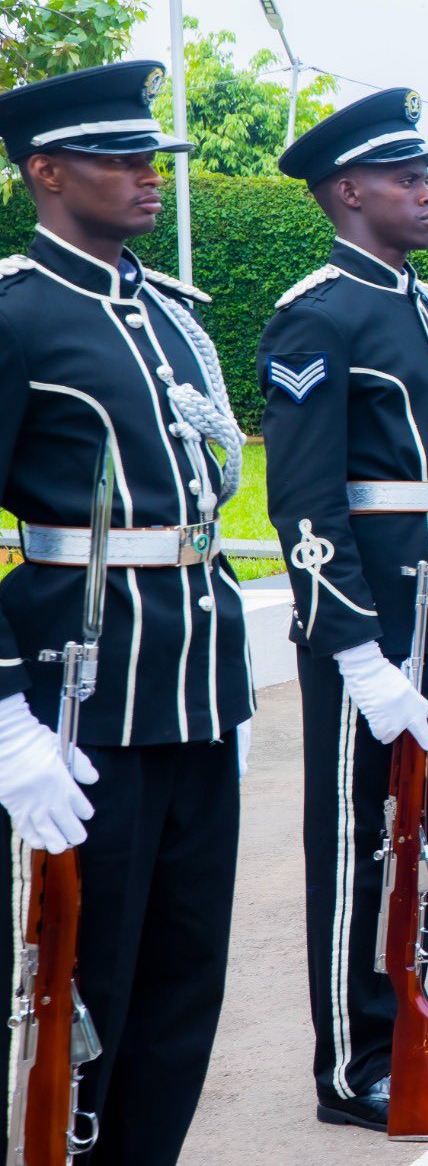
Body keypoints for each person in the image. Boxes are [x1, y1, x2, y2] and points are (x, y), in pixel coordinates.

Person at [0, 61, 252, 1164]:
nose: (150, 177)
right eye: (121, 159)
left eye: (154, 159)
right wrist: (5, 711)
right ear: (44, 171)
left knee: (184, 974)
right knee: (76, 980)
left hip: (197, 686)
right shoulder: (19, 315)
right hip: (80, 701)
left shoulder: (175, 314)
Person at [259, 87, 428, 1130]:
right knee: (358, 837)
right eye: (407, 177)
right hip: (376, 623)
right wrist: (353, 640)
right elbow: (305, 496)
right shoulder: (319, 310)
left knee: (425, 836)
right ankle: (351, 1061)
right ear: (349, 188)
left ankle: (406, 1018)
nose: (427, 191)